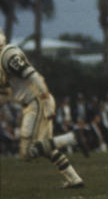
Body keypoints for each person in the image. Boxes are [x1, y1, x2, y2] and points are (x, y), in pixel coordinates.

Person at [0, 30, 86, 189]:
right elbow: (4, 95)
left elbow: (32, 75)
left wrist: (45, 99)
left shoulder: (7, 54)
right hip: (33, 103)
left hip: (37, 102)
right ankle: (74, 178)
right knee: (45, 147)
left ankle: (72, 138)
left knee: (27, 152)